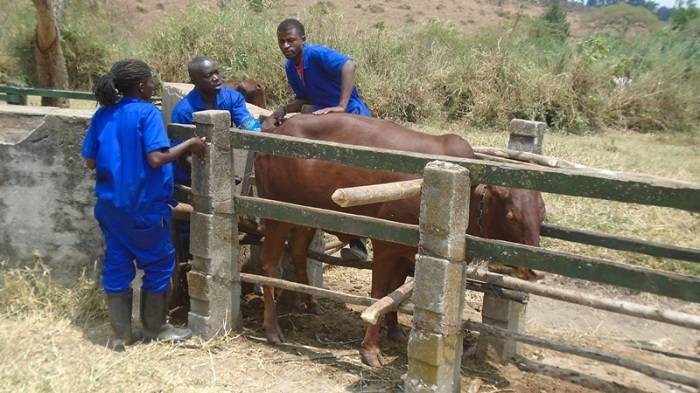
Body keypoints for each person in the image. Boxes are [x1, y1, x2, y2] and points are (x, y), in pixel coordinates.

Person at [81, 59, 207, 352]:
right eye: (151, 81)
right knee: (160, 264)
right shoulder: (147, 113)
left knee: (116, 264)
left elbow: (89, 161)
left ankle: (120, 336)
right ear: (141, 86)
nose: (153, 85)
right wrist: (190, 144)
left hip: (111, 208)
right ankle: (155, 327)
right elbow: (156, 158)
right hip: (143, 206)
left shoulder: (102, 114)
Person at [268, 18, 370, 261]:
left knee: (352, 172)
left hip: (350, 117)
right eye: (281, 41)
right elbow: (303, 98)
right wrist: (283, 109)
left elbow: (348, 65)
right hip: (327, 123)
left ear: (303, 39)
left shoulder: (316, 54)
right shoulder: (291, 67)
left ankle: (360, 239)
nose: (286, 45)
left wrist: (341, 105)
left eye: (291, 40)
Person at [170, 56, 262, 257]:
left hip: (219, 173)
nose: (216, 78)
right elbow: (182, 157)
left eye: (217, 72)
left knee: (222, 225)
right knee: (191, 230)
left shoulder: (231, 98)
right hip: (188, 177)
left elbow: (247, 122)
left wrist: (259, 132)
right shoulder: (184, 111)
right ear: (194, 82)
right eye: (208, 75)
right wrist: (215, 177)